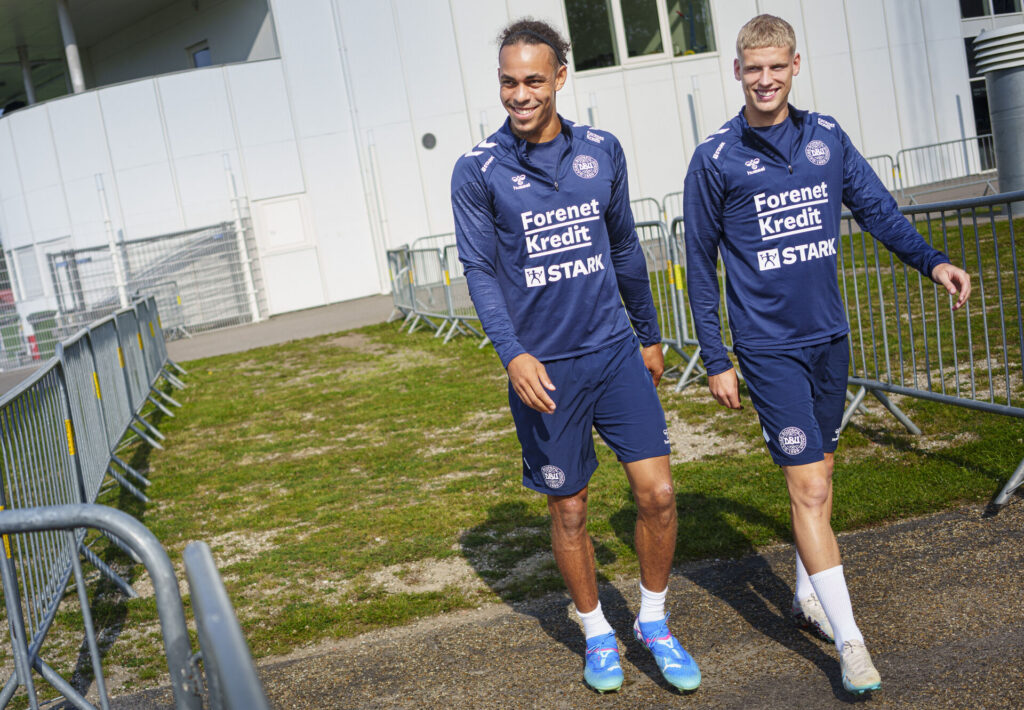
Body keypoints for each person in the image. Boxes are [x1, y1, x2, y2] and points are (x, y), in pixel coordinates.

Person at [684, 13, 972, 694]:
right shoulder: (716, 157)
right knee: (808, 485)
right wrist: (717, 357)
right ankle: (851, 643)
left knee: (822, 477)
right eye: (752, 68)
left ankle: (807, 595)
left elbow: (876, 210)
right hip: (767, 347)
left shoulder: (827, 137)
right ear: (736, 71)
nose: (764, 79)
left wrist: (933, 263)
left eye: (775, 67)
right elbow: (699, 263)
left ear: (794, 66)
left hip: (829, 338)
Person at [451, 18, 700, 694]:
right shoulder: (477, 169)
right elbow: (477, 267)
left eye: (534, 79)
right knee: (570, 512)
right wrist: (513, 355)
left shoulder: (601, 150)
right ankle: (597, 634)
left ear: (560, 77)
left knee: (659, 493)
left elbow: (623, 247)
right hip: (545, 372)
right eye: (509, 81)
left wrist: (648, 334)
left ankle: (653, 622)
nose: (520, 94)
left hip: (614, 352)